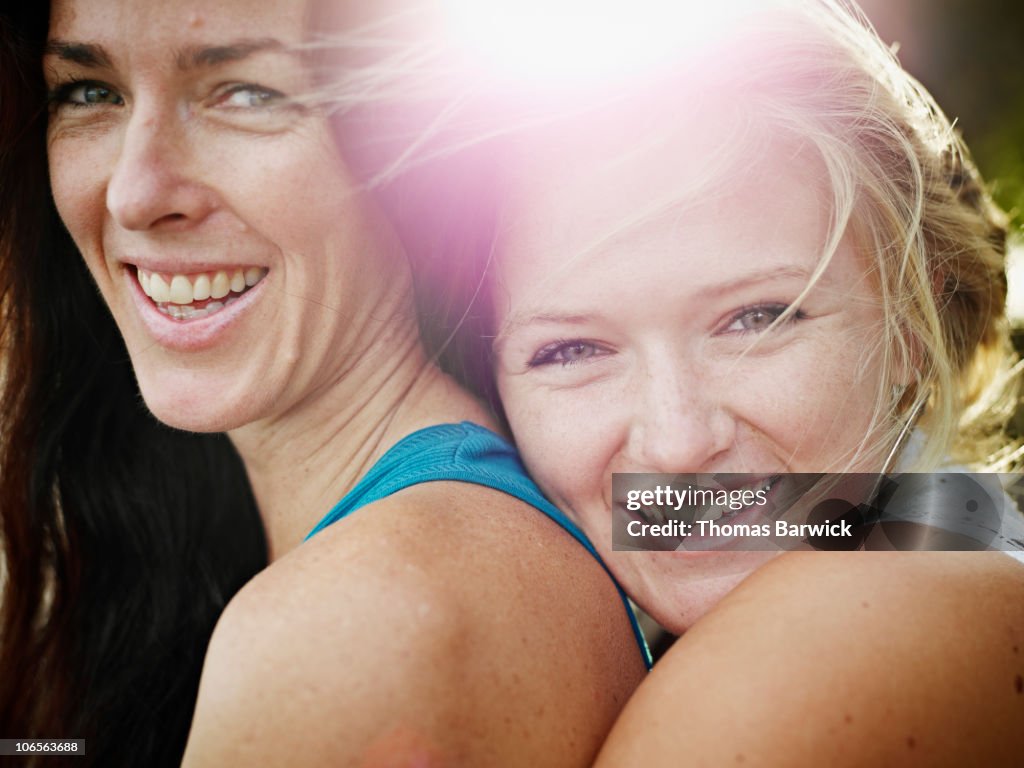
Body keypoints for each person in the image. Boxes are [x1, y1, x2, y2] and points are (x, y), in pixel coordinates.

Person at [0, 2, 648, 766]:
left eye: (246, 92)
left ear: (414, 150)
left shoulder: (361, 620)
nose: (133, 195)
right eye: (89, 92)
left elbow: (823, 516)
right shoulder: (218, 535)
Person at [432, 0, 1024, 764]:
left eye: (759, 319)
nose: (678, 444)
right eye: (572, 351)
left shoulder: (901, 594)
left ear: (913, 322)